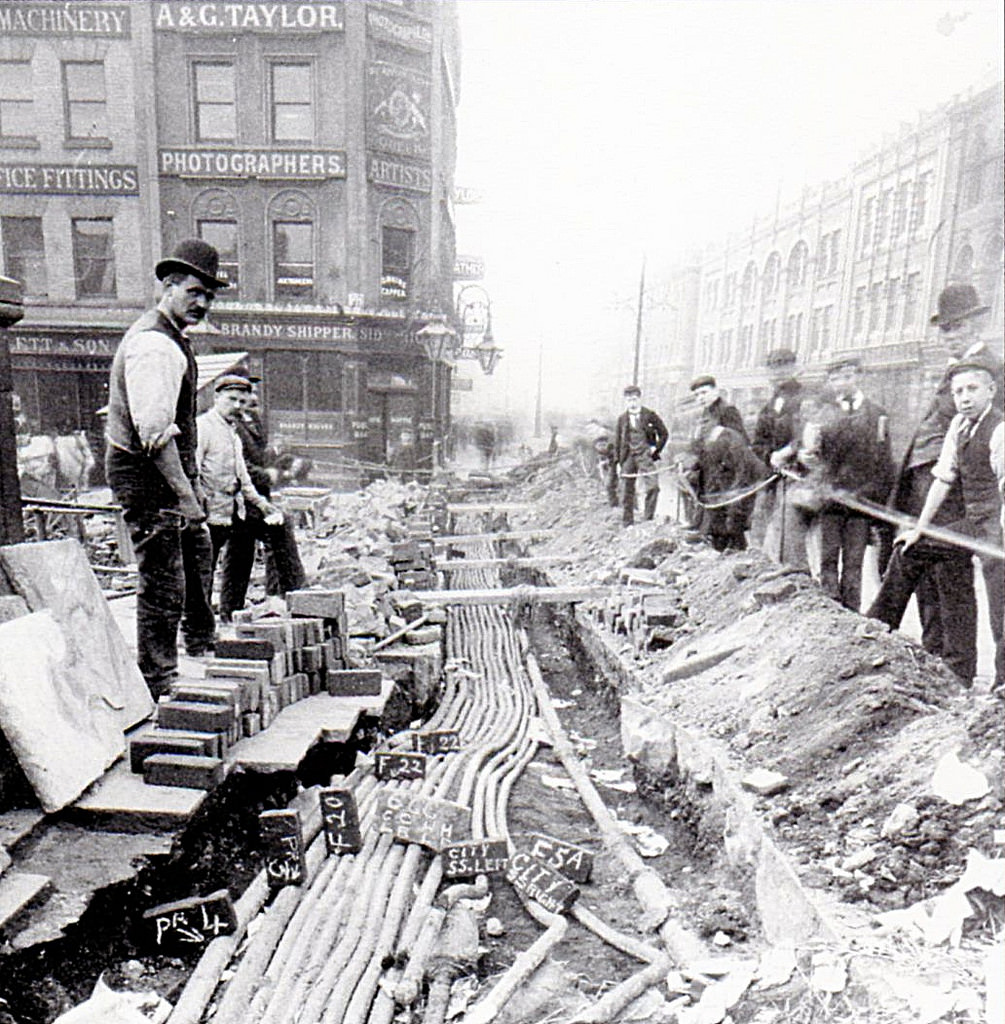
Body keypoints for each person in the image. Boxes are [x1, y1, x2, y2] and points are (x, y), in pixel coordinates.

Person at [105, 238, 225, 697]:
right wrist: (187, 495)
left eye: (209, 296)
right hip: (147, 474)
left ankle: (200, 641)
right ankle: (158, 679)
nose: (202, 303)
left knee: (197, 549)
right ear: (169, 285)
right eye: (194, 291)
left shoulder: (173, 337)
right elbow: (155, 434)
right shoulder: (156, 345)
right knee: (162, 578)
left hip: (162, 474)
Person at [868, 284, 1000, 685]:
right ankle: (941, 657)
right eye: (944, 329)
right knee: (930, 571)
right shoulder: (956, 374)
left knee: (959, 582)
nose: (950, 335)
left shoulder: (992, 370)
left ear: (978, 323)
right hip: (934, 488)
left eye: (957, 326)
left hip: (970, 499)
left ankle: (956, 665)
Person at [191, 376, 301, 627]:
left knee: (235, 555)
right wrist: (199, 509)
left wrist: (264, 505)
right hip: (210, 513)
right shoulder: (204, 427)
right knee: (203, 571)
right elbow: (194, 472)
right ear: (216, 398)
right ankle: (198, 632)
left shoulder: (232, 432)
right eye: (232, 399)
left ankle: (226, 616)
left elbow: (243, 477)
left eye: (242, 400)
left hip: (233, 509)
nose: (238, 405)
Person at [807, 357, 892, 612]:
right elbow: (813, 457)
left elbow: (884, 460)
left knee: (854, 563)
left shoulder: (877, 414)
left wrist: (875, 498)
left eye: (847, 376)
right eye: (835, 378)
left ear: (859, 377)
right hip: (831, 499)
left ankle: (851, 613)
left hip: (861, 502)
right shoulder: (822, 415)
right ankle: (831, 613)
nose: (841, 383)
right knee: (828, 560)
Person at [752, 348, 810, 569]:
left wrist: (788, 452)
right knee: (762, 525)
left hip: (797, 475)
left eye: (785, 366)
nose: (778, 373)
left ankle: (794, 576)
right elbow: (759, 440)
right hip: (772, 475)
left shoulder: (804, 398)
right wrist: (770, 457)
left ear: (794, 368)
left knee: (791, 532)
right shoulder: (771, 404)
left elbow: (809, 432)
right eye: (774, 368)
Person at [614, 384, 668, 526]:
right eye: (629, 400)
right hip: (628, 457)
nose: (632, 403)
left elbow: (664, 433)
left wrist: (655, 449)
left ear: (639, 399)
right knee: (627, 489)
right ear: (625, 401)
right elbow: (617, 442)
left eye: (634, 399)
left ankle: (648, 519)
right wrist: (618, 463)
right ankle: (627, 522)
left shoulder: (649, 415)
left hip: (645, 455)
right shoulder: (622, 419)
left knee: (653, 487)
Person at [690, 375, 748, 441]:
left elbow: (738, 440)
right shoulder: (706, 411)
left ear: (715, 391)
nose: (700, 398)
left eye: (704, 392)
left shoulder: (728, 410)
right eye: (696, 395)